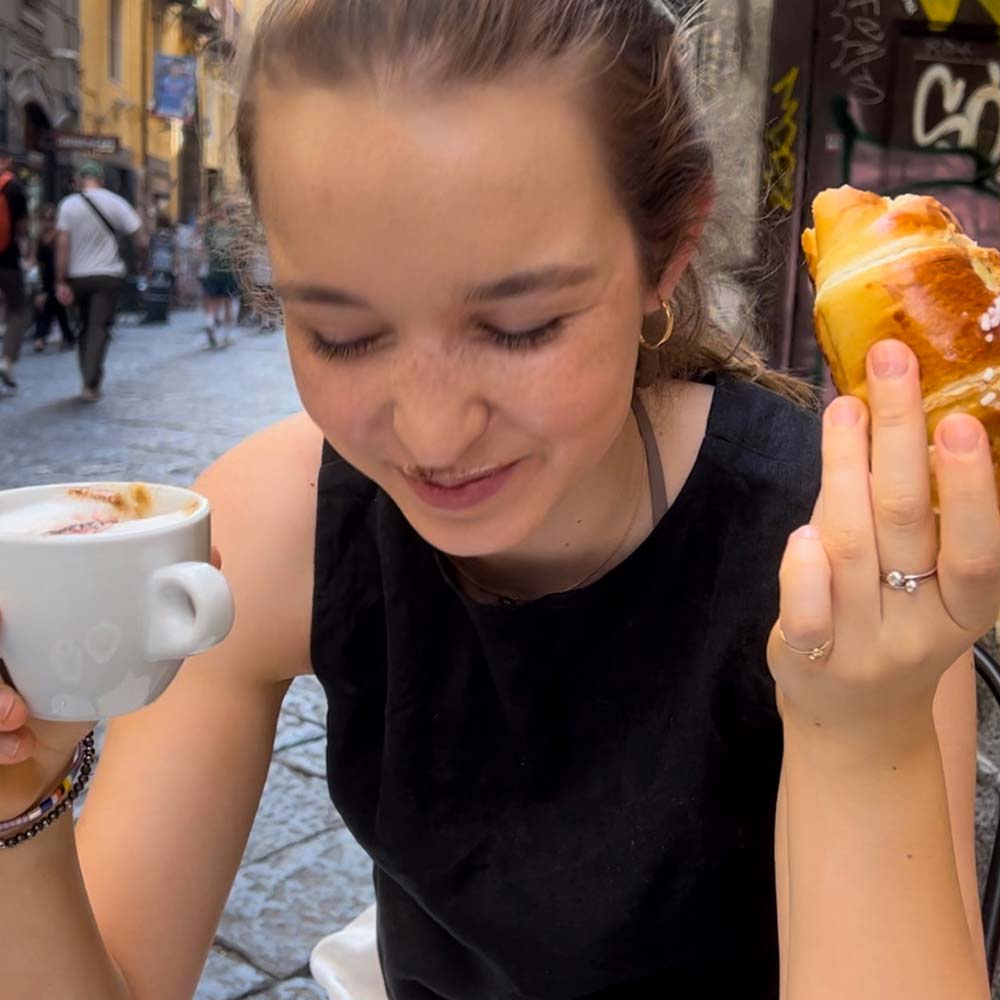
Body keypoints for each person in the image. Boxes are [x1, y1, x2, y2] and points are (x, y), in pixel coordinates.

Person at [0, 4, 996, 999]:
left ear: (668, 246)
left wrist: (864, 733)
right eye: (341, 334)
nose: (432, 436)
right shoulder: (269, 526)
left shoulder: (842, 551)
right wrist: (17, 803)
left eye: (519, 325)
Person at [54, 161, 146, 402]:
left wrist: (60, 279)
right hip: (107, 275)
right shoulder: (116, 202)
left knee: (84, 326)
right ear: (101, 180)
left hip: (77, 276)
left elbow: (62, 244)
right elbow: (141, 240)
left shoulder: (68, 205)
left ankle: (87, 376)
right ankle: (90, 382)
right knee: (98, 327)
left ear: (78, 180)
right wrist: (142, 264)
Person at [0, 147, 30, 390]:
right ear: (6, 161)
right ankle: (7, 360)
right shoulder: (14, 188)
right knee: (18, 309)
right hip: (7, 260)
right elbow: (21, 227)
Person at [30, 204, 75, 353]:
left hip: (58, 277)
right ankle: (68, 336)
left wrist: (61, 279)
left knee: (48, 304)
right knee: (57, 308)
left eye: (50, 219)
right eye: (44, 219)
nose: (47, 222)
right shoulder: (39, 238)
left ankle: (40, 337)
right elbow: (35, 260)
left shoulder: (59, 236)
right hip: (45, 279)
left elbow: (63, 258)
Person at [200, 202, 240, 348]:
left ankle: (210, 324)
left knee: (212, 302)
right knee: (229, 303)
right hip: (229, 272)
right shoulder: (235, 231)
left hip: (213, 271)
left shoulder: (210, 230)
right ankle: (227, 336)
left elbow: (204, 246)